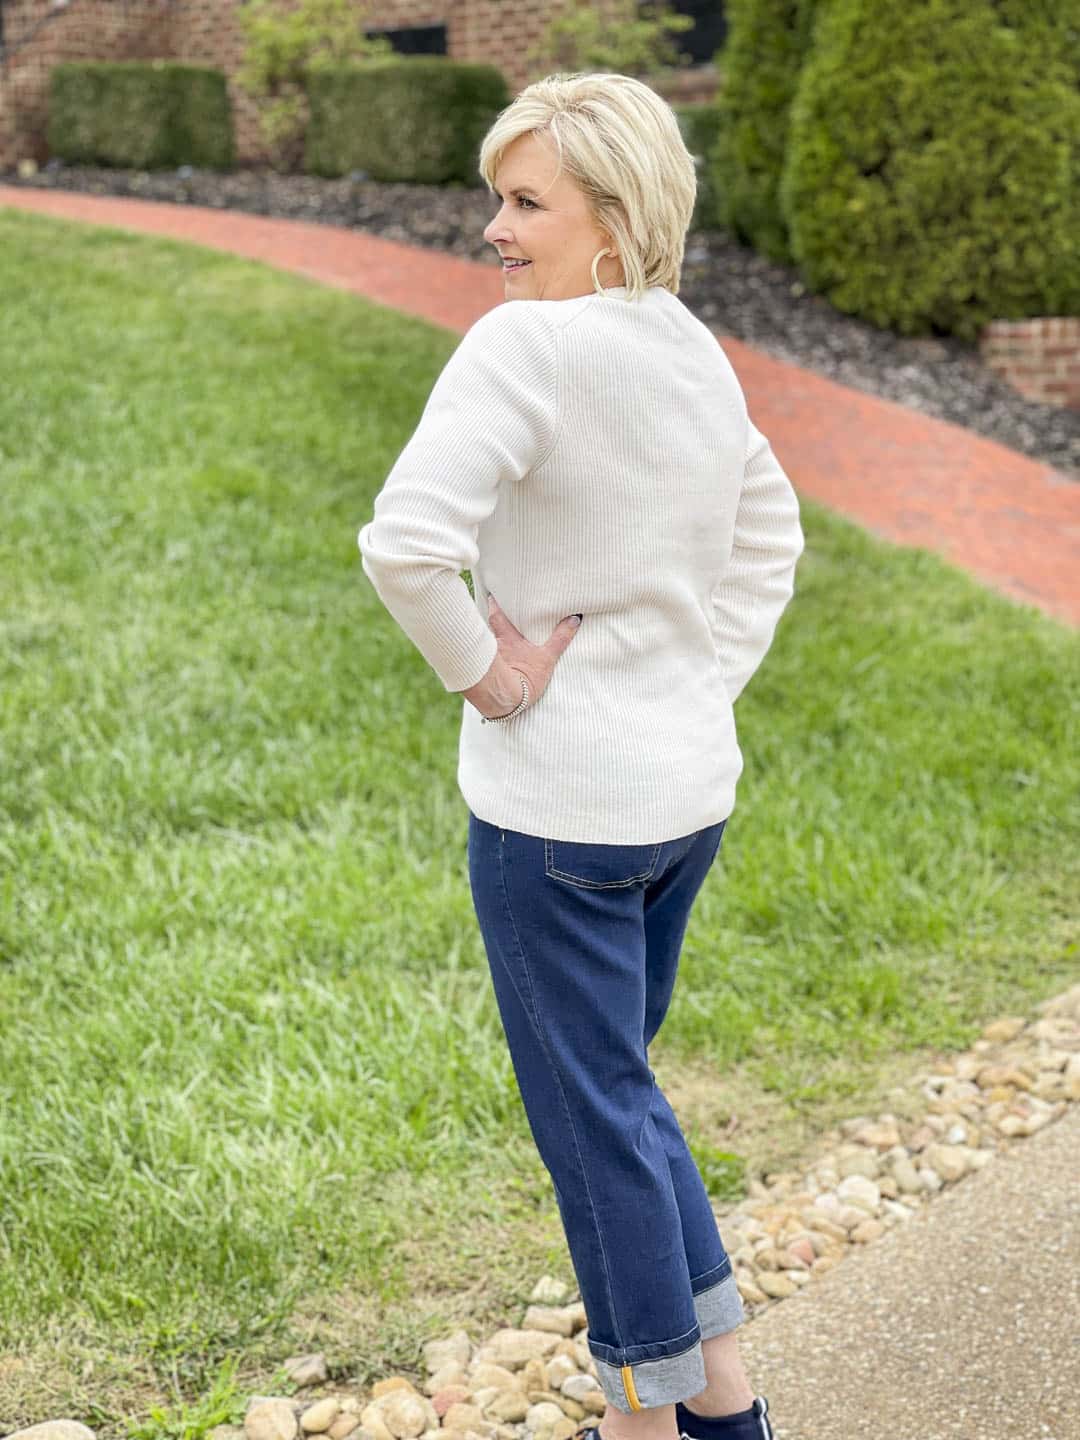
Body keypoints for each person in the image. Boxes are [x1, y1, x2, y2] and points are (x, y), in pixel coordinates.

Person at [358, 70, 804, 1440]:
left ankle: (636, 1416)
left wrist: (494, 681)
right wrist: (688, 684)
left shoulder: (524, 353)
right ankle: (725, 1407)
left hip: (558, 820)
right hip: (681, 804)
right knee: (623, 1094)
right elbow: (772, 534)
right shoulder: (689, 350)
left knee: (595, 1119)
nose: (492, 225)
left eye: (523, 200)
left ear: (614, 218)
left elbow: (405, 544)